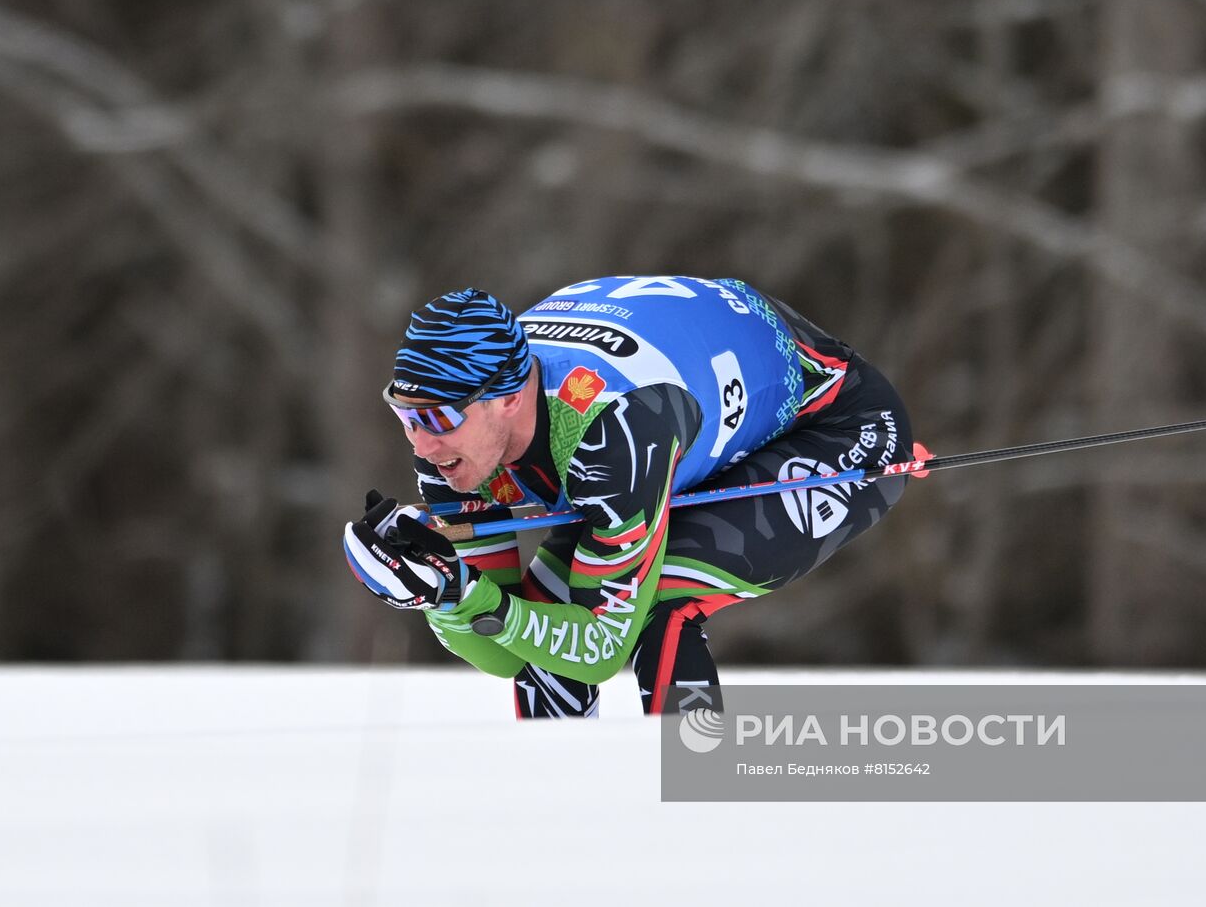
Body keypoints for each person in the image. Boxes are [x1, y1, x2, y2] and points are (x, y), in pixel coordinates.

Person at [343, 276, 914, 718]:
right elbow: (509, 653)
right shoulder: (449, 444)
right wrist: (444, 595)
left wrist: (470, 596)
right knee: (541, 623)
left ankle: (700, 787)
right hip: (686, 405)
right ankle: (563, 825)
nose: (421, 440)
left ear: (510, 397)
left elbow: (597, 650)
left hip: (835, 424)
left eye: (439, 417)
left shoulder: (610, 433)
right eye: (405, 415)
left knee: (658, 604)